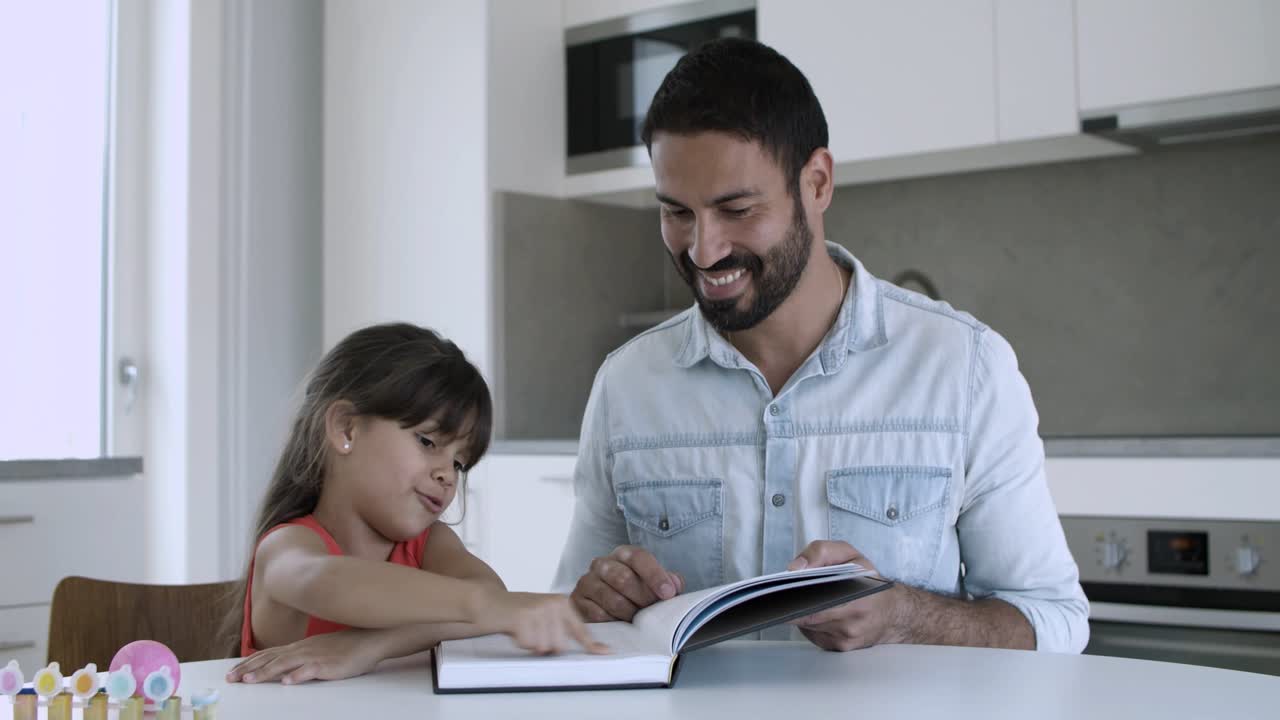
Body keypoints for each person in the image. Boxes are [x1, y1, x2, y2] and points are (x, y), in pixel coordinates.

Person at [553, 38, 1088, 653]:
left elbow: (1055, 623)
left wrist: (901, 617)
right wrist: (594, 601)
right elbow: (573, 619)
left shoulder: (965, 369)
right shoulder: (627, 385)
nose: (703, 250)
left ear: (817, 183)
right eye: (677, 213)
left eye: (736, 209)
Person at [223, 322, 606, 685]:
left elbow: (489, 594)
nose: (449, 475)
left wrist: (368, 646)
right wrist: (485, 606)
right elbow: (324, 582)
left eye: (459, 462)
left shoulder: (429, 545)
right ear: (346, 429)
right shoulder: (287, 547)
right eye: (427, 442)